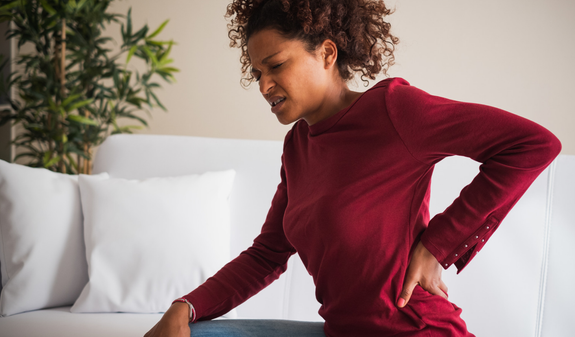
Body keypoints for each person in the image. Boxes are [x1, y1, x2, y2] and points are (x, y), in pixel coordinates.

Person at [145, 0, 562, 336]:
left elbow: (532, 145)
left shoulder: (394, 110)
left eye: (275, 65)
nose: (264, 86)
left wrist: (438, 243)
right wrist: (187, 305)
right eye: (257, 73)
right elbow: (267, 254)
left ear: (326, 52)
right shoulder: (298, 147)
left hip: (415, 329)